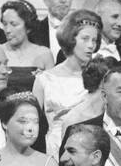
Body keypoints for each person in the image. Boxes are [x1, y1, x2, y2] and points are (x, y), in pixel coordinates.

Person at [34, 9, 101, 152]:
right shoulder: (45, 79)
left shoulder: (100, 78)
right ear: (71, 38)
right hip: (55, 149)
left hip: (90, 151)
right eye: (85, 39)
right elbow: (33, 125)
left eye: (94, 40)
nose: (91, 45)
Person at [0, 0, 54, 92]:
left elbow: (51, 95)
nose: (7, 30)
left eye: (13, 24)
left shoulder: (44, 54)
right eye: (5, 24)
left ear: (28, 26)